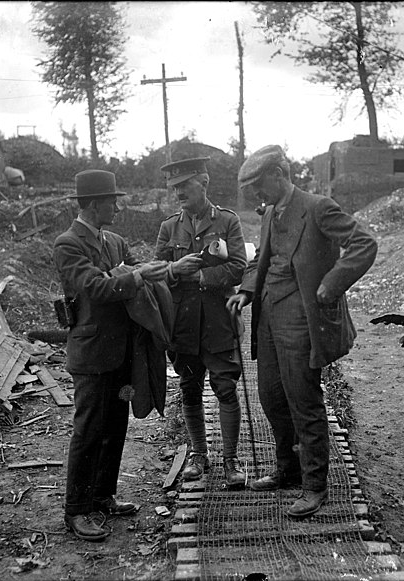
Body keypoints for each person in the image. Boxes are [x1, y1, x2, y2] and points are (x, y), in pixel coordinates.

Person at [227, 145, 378, 518]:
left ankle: (314, 485)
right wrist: (247, 292)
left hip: (300, 321)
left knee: (303, 401)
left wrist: (332, 283)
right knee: (271, 397)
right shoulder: (270, 214)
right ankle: (287, 468)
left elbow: (364, 243)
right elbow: (261, 257)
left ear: (279, 174)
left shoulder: (318, 208)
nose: (257, 197)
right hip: (268, 318)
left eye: (260, 187)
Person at [53, 169, 169, 542]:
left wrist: (138, 273)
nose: (117, 207)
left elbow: (132, 269)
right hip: (91, 354)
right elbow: (95, 288)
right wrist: (133, 277)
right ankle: (77, 510)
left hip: (121, 354)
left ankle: (103, 495)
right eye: (111, 201)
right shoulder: (68, 244)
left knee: (116, 424)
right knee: (88, 430)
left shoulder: (114, 241)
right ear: (93, 204)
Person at [155, 156, 249, 489]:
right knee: (189, 390)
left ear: (204, 183)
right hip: (183, 324)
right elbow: (156, 274)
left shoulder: (226, 221)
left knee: (225, 389)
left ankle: (231, 461)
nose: (178, 192)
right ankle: (198, 454)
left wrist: (201, 277)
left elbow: (238, 265)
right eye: (174, 187)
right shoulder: (169, 227)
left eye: (184, 185)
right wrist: (173, 270)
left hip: (218, 322)